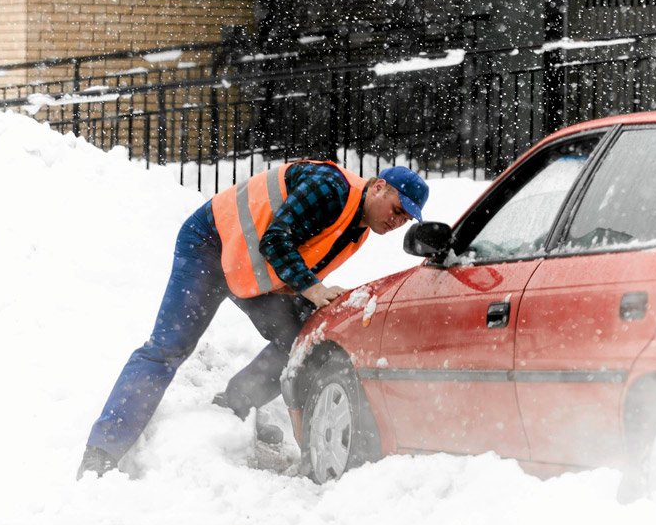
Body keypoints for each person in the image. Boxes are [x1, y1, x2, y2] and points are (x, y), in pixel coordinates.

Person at [77, 161, 429, 478]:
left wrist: (307, 299)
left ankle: (231, 408)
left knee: (299, 342)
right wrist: (312, 288)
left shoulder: (357, 228)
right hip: (209, 244)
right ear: (378, 187)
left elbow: (294, 254)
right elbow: (275, 240)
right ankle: (101, 453)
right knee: (168, 348)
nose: (397, 221)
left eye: (406, 219)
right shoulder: (331, 189)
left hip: (249, 263)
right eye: (397, 209)